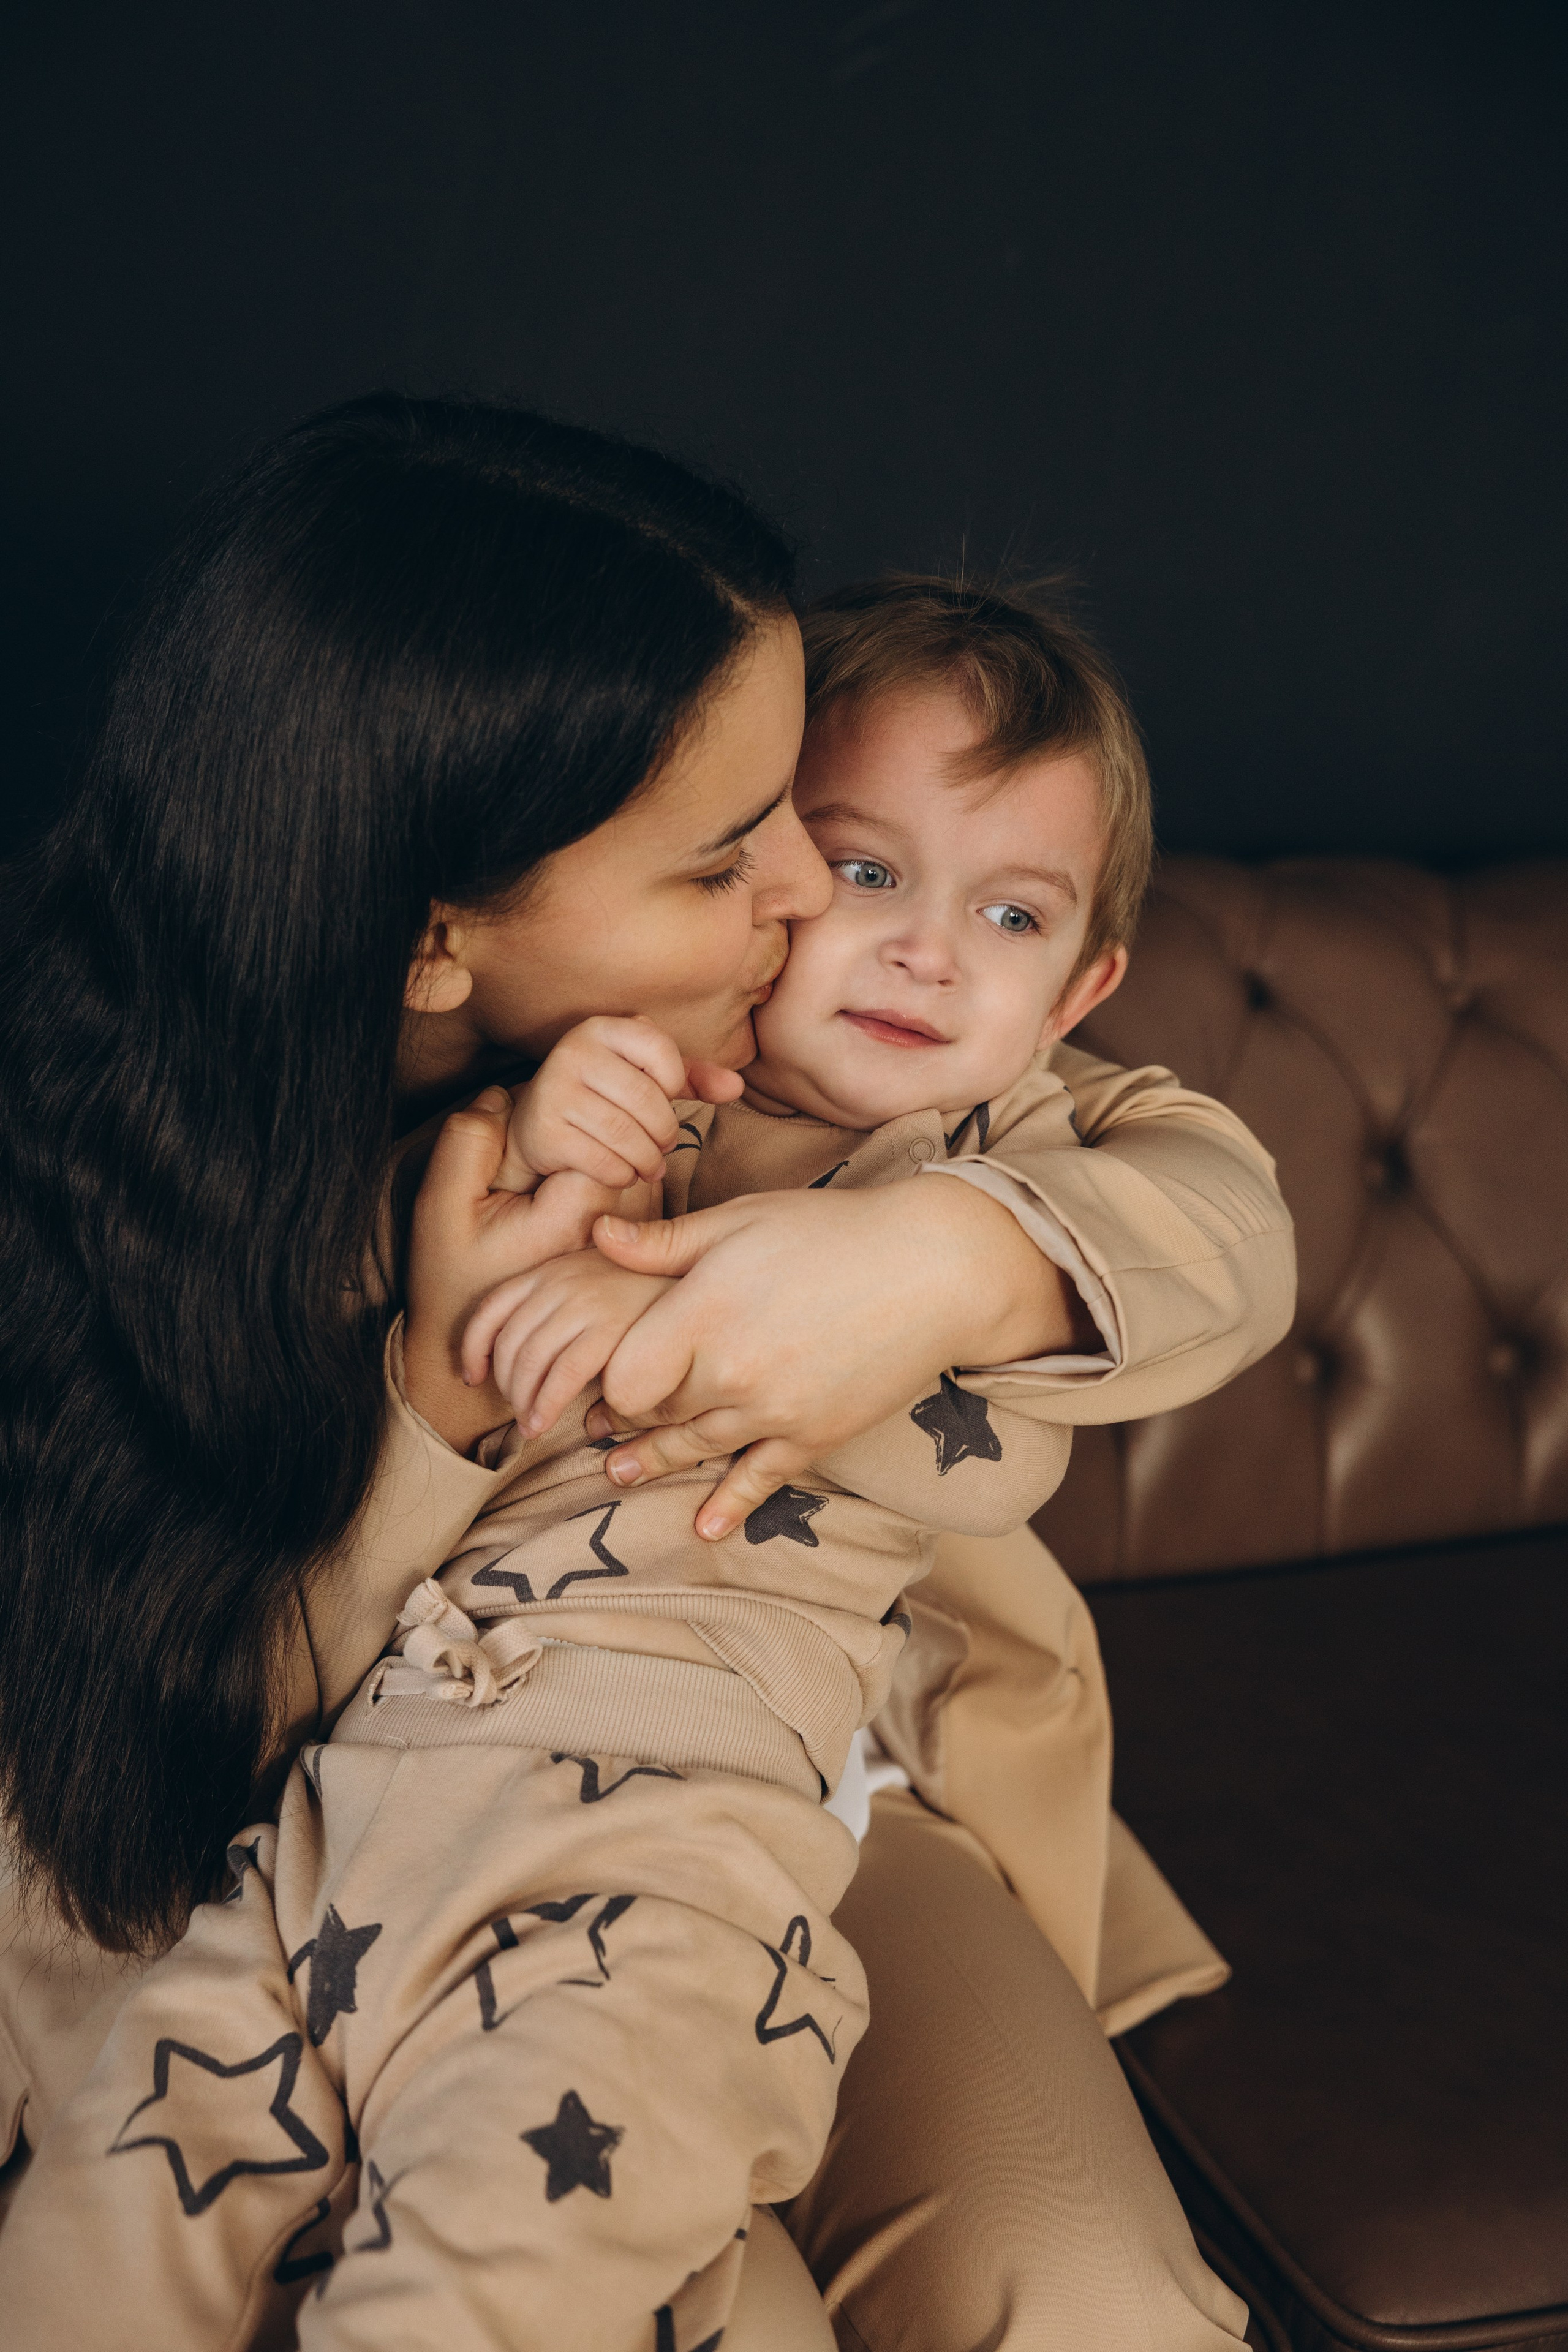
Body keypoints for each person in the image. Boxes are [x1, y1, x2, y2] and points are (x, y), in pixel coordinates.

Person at [0, 405, 1287, 2346]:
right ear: (443, 933)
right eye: (744, 854)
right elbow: (130, 1797)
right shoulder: (203, 1211)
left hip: (811, 1786)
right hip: (343, 1831)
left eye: (800, 814)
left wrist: (940, 1260)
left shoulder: (911, 1121)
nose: (808, 897)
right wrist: (435, 1405)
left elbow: (1204, 1208)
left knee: (1089, 2291)